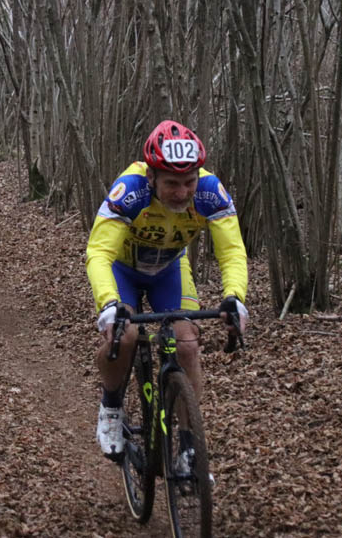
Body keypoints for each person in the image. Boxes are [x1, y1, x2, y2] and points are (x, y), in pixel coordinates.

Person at [86, 120, 249, 465]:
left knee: (186, 344)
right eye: (172, 183)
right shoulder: (130, 190)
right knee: (125, 337)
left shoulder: (210, 192)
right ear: (151, 177)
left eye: (189, 181)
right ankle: (111, 407)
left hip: (169, 271)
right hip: (123, 270)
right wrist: (109, 304)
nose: (182, 192)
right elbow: (99, 253)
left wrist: (234, 296)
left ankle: (189, 446)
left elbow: (232, 252)